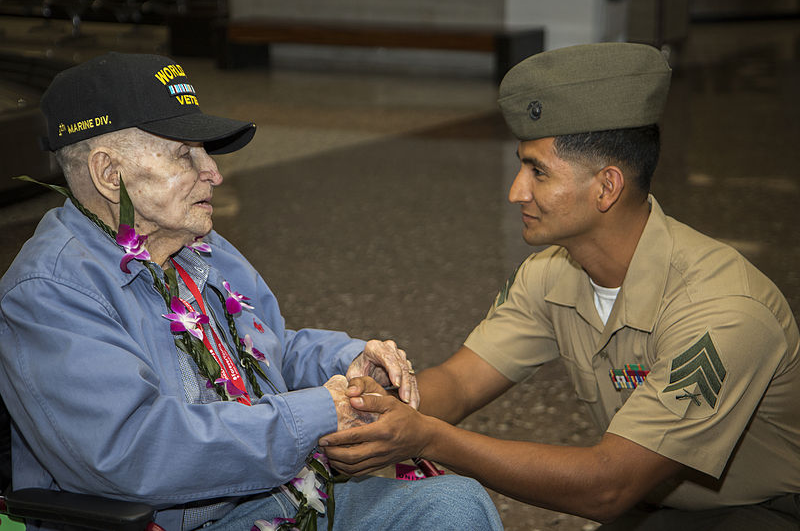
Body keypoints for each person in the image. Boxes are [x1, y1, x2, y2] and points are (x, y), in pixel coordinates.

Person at [0, 52, 503, 531]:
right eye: (184, 155)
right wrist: (322, 411)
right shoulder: (51, 291)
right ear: (110, 174)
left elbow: (268, 350)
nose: (213, 173)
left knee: (456, 505)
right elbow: (136, 453)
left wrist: (350, 362)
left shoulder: (201, 246)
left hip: (272, 502)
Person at [320, 42, 800, 530]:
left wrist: (426, 439)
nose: (516, 191)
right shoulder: (552, 273)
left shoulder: (722, 310)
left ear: (606, 187)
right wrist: (374, 405)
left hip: (765, 513)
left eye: (539, 172)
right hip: (649, 509)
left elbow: (607, 484)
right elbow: (462, 382)